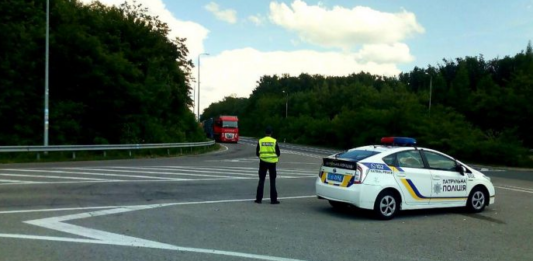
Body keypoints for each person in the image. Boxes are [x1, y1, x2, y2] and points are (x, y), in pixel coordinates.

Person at [255, 126, 281, 204]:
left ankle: (259, 199)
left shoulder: (260, 141)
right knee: (272, 181)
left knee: (261, 180)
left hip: (263, 162)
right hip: (272, 163)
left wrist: (263, 156)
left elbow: (257, 153)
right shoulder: (274, 141)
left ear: (265, 133)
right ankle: (273, 200)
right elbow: (278, 153)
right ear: (271, 133)